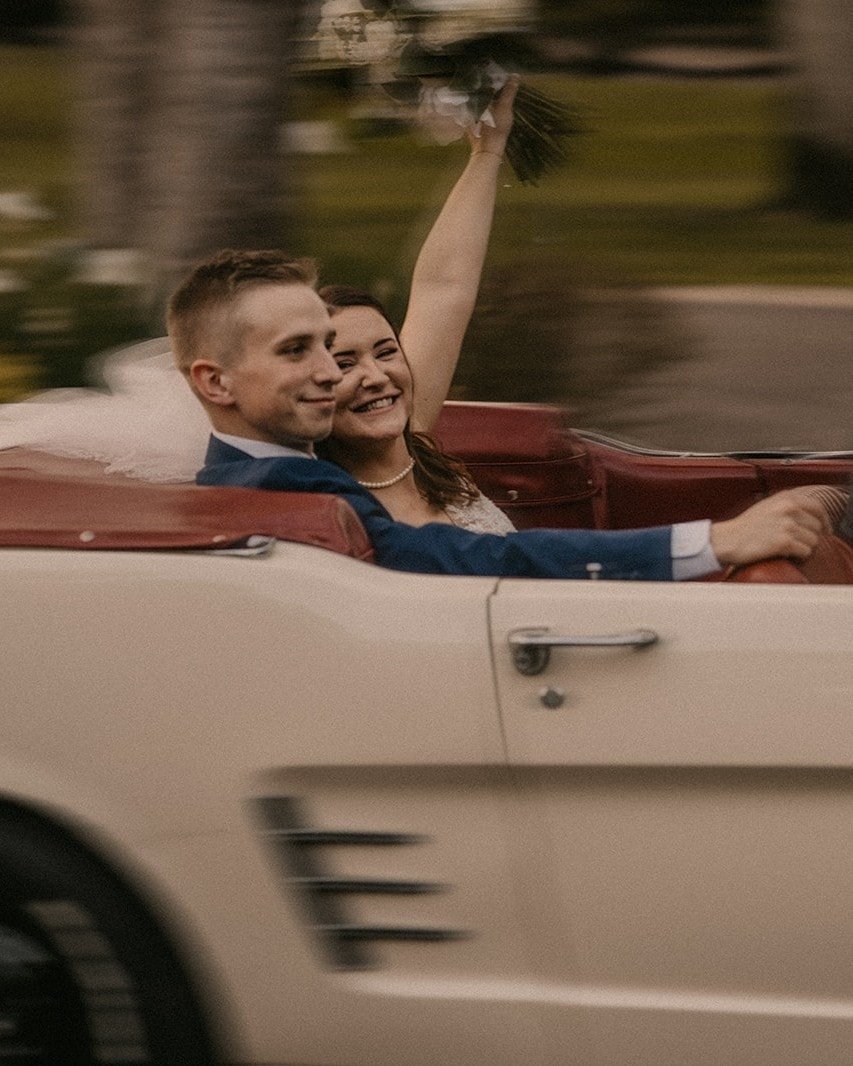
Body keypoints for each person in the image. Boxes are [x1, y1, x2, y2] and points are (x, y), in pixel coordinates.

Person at [169, 247, 831, 580]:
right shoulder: (285, 490)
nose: (328, 371)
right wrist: (715, 543)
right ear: (215, 382)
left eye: (325, 345)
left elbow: (444, 290)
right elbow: (470, 558)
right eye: (298, 351)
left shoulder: (288, 461)